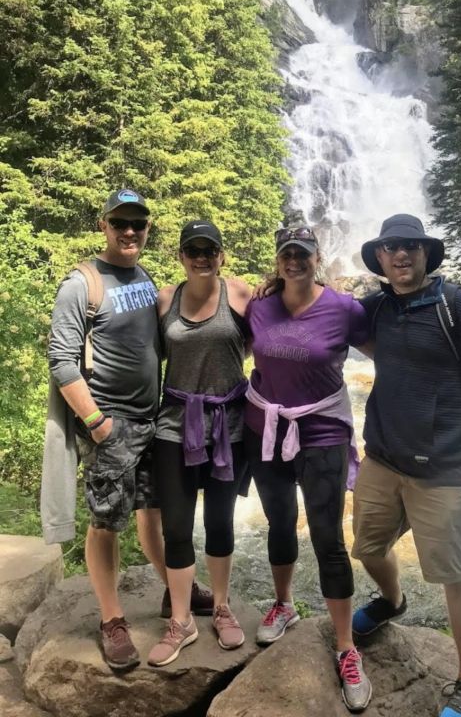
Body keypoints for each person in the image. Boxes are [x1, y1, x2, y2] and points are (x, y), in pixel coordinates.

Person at [46, 190, 212, 672]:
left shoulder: (142, 275)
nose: (130, 231)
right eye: (121, 222)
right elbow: (61, 359)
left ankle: (173, 589)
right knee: (106, 522)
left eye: (138, 224)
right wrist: (97, 424)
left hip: (152, 418)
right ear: (104, 224)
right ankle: (112, 620)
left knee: (152, 511)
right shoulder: (82, 283)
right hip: (110, 424)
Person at [352, 214, 461, 717]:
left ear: (425, 255)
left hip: (443, 468)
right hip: (381, 458)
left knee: (453, 573)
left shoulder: (458, 308)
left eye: (411, 247)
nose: (401, 255)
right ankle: (392, 601)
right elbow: (321, 314)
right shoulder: (375, 308)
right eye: (392, 247)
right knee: (368, 546)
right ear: (380, 257)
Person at [245, 226, 373, 713]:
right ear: (277, 261)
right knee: (279, 521)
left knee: (326, 536)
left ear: (317, 257)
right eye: (286, 254)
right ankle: (285, 604)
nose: (294, 261)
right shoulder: (259, 304)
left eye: (302, 253)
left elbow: (388, 352)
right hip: (265, 431)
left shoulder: (343, 308)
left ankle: (345, 647)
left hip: (322, 435)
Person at [147, 220, 252, 666]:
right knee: (175, 526)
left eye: (210, 249)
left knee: (220, 522)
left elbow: (271, 331)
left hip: (229, 428)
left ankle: (223, 607)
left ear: (221, 255)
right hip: (173, 426)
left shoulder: (242, 295)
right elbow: (141, 350)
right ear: (182, 257)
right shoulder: (165, 300)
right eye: (194, 249)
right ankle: (182, 621)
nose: (202, 256)